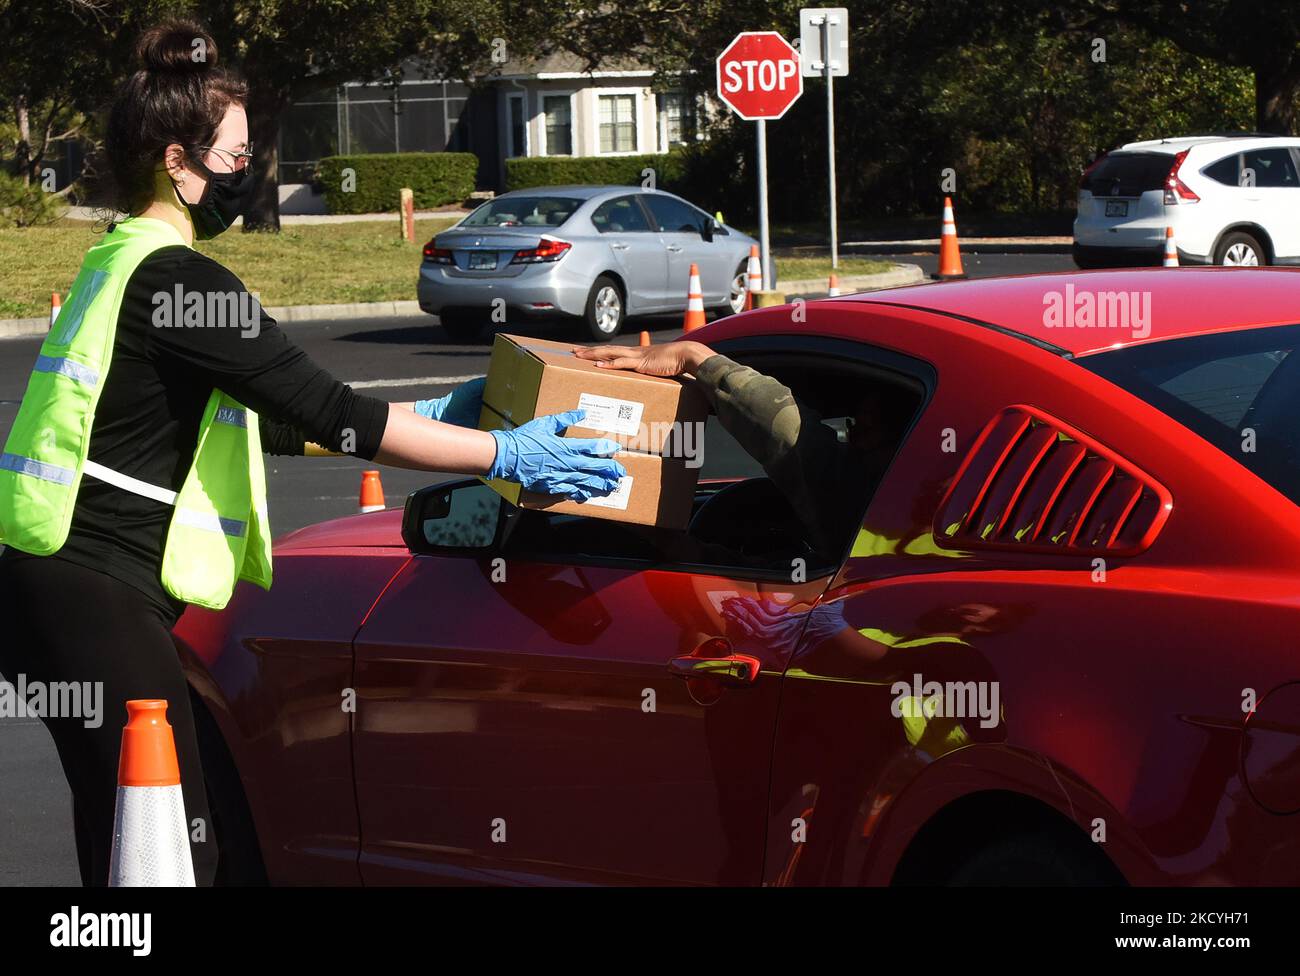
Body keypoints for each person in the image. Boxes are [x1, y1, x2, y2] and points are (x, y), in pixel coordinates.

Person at [0, 18, 622, 887]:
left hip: (51, 583)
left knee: (124, 828)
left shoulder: (118, 258)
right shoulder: (181, 282)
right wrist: (499, 453)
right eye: (234, 157)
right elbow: (328, 410)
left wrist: (440, 409)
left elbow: (271, 417)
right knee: (169, 842)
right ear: (177, 164)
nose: (248, 173)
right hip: (96, 589)